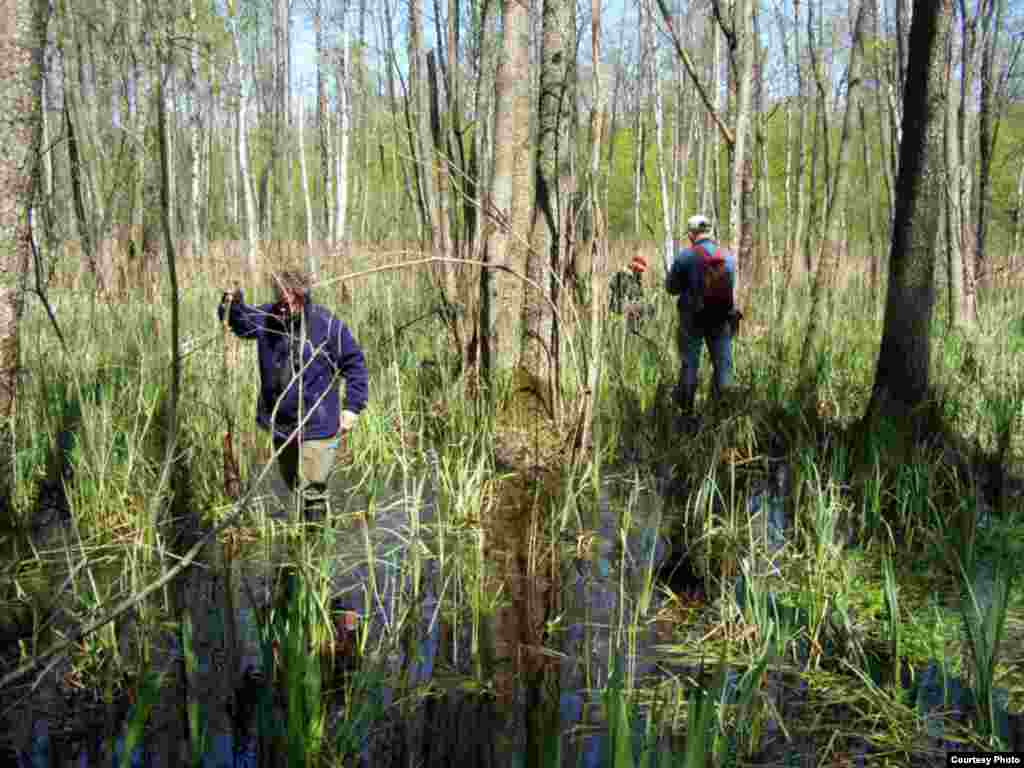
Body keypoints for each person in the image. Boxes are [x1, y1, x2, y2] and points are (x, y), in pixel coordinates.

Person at [219, 270, 369, 521]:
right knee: (293, 484)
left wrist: (353, 408)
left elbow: (355, 364)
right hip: (282, 422)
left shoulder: (326, 325)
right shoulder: (268, 317)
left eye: (292, 299)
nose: (286, 306)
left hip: (318, 422)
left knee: (313, 488)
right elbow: (241, 323)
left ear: (303, 295)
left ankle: (315, 544)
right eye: (281, 299)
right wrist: (232, 304)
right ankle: (304, 529)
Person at [664, 214, 737, 417]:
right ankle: (724, 415)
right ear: (710, 232)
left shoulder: (685, 257)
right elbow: (730, 289)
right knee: (724, 366)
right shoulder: (728, 257)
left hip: (692, 320)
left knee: (689, 364)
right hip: (721, 319)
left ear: (691, 234)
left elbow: (671, 289)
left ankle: (685, 414)